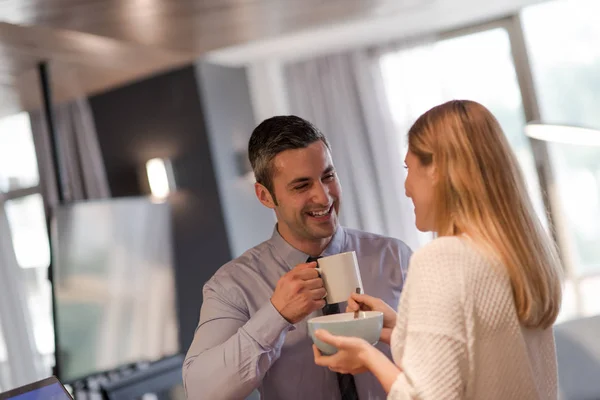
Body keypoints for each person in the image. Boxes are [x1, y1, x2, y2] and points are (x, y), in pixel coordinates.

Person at [313, 100, 562, 399]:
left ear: (437, 170)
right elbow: (477, 354)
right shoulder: (518, 256)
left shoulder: (443, 258)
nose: (406, 187)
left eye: (409, 167)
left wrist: (368, 356)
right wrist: (402, 327)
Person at [183, 116, 413, 400]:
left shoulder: (395, 257)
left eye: (328, 176)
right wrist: (275, 315)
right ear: (265, 196)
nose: (324, 196)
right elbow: (201, 391)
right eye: (302, 186)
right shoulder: (232, 285)